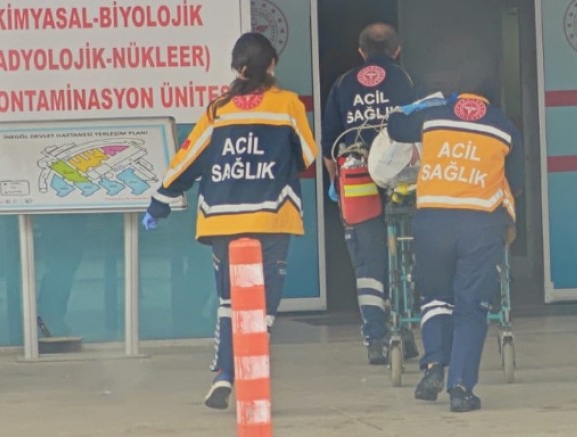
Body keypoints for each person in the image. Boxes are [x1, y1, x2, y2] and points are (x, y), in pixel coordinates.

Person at [142, 32, 318, 410]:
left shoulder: (217, 110)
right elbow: (307, 155)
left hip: (221, 219)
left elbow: (186, 162)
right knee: (262, 306)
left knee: (228, 301)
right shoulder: (287, 104)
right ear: (272, 66)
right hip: (271, 217)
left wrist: (159, 203)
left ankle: (223, 374)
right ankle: (246, 377)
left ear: (236, 67)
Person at [387, 87, 524, 412]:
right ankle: (460, 388)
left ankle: (434, 366)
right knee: (471, 308)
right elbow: (516, 183)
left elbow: (395, 127)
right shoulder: (504, 127)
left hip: (433, 223)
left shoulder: (433, 117)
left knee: (435, 298)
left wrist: (413, 107)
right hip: (480, 226)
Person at [321, 22, 417, 364]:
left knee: (368, 263)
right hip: (401, 181)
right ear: (397, 50)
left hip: (358, 178)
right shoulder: (406, 80)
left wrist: (338, 185)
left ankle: (376, 340)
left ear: (361, 52)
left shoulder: (343, 83)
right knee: (404, 255)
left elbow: (329, 147)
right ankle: (405, 331)